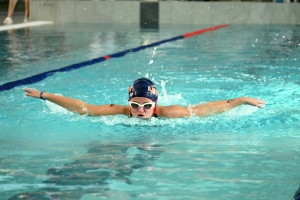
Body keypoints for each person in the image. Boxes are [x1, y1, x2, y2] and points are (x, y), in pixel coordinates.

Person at [23, 77, 265, 119]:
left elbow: (206, 109)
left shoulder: (169, 113)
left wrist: (240, 100)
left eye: (147, 106)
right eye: (135, 105)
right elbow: (83, 108)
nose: (141, 110)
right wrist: (45, 95)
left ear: (155, 104)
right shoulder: (120, 111)